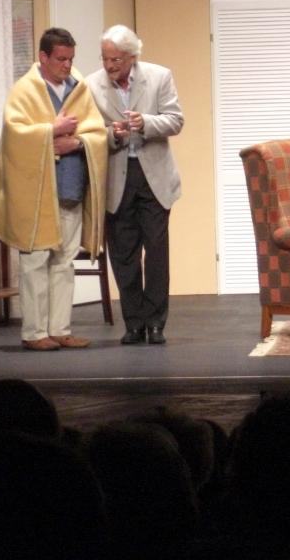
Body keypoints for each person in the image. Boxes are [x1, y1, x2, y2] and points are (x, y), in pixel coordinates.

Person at [0, 27, 108, 351]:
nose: (67, 65)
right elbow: (14, 135)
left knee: (64, 262)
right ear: (43, 57)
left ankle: (60, 329)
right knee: (35, 261)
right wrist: (51, 130)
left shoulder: (78, 88)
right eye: (61, 59)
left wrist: (76, 142)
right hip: (37, 193)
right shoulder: (24, 90)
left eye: (70, 59)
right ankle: (34, 332)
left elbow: (96, 132)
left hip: (70, 187)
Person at [85, 24, 183, 345]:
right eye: (105, 58)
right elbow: (89, 132)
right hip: (117, 176)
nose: (109, 65)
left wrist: (146, 123)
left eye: (115, 59)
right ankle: (134, 323)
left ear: (131, 57)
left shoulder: (159, 76)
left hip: (153, 176)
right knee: (124, 254)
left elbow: (175, 120)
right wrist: (112, 134)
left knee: (155, 252)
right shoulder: (92, 85)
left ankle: (155, 323)